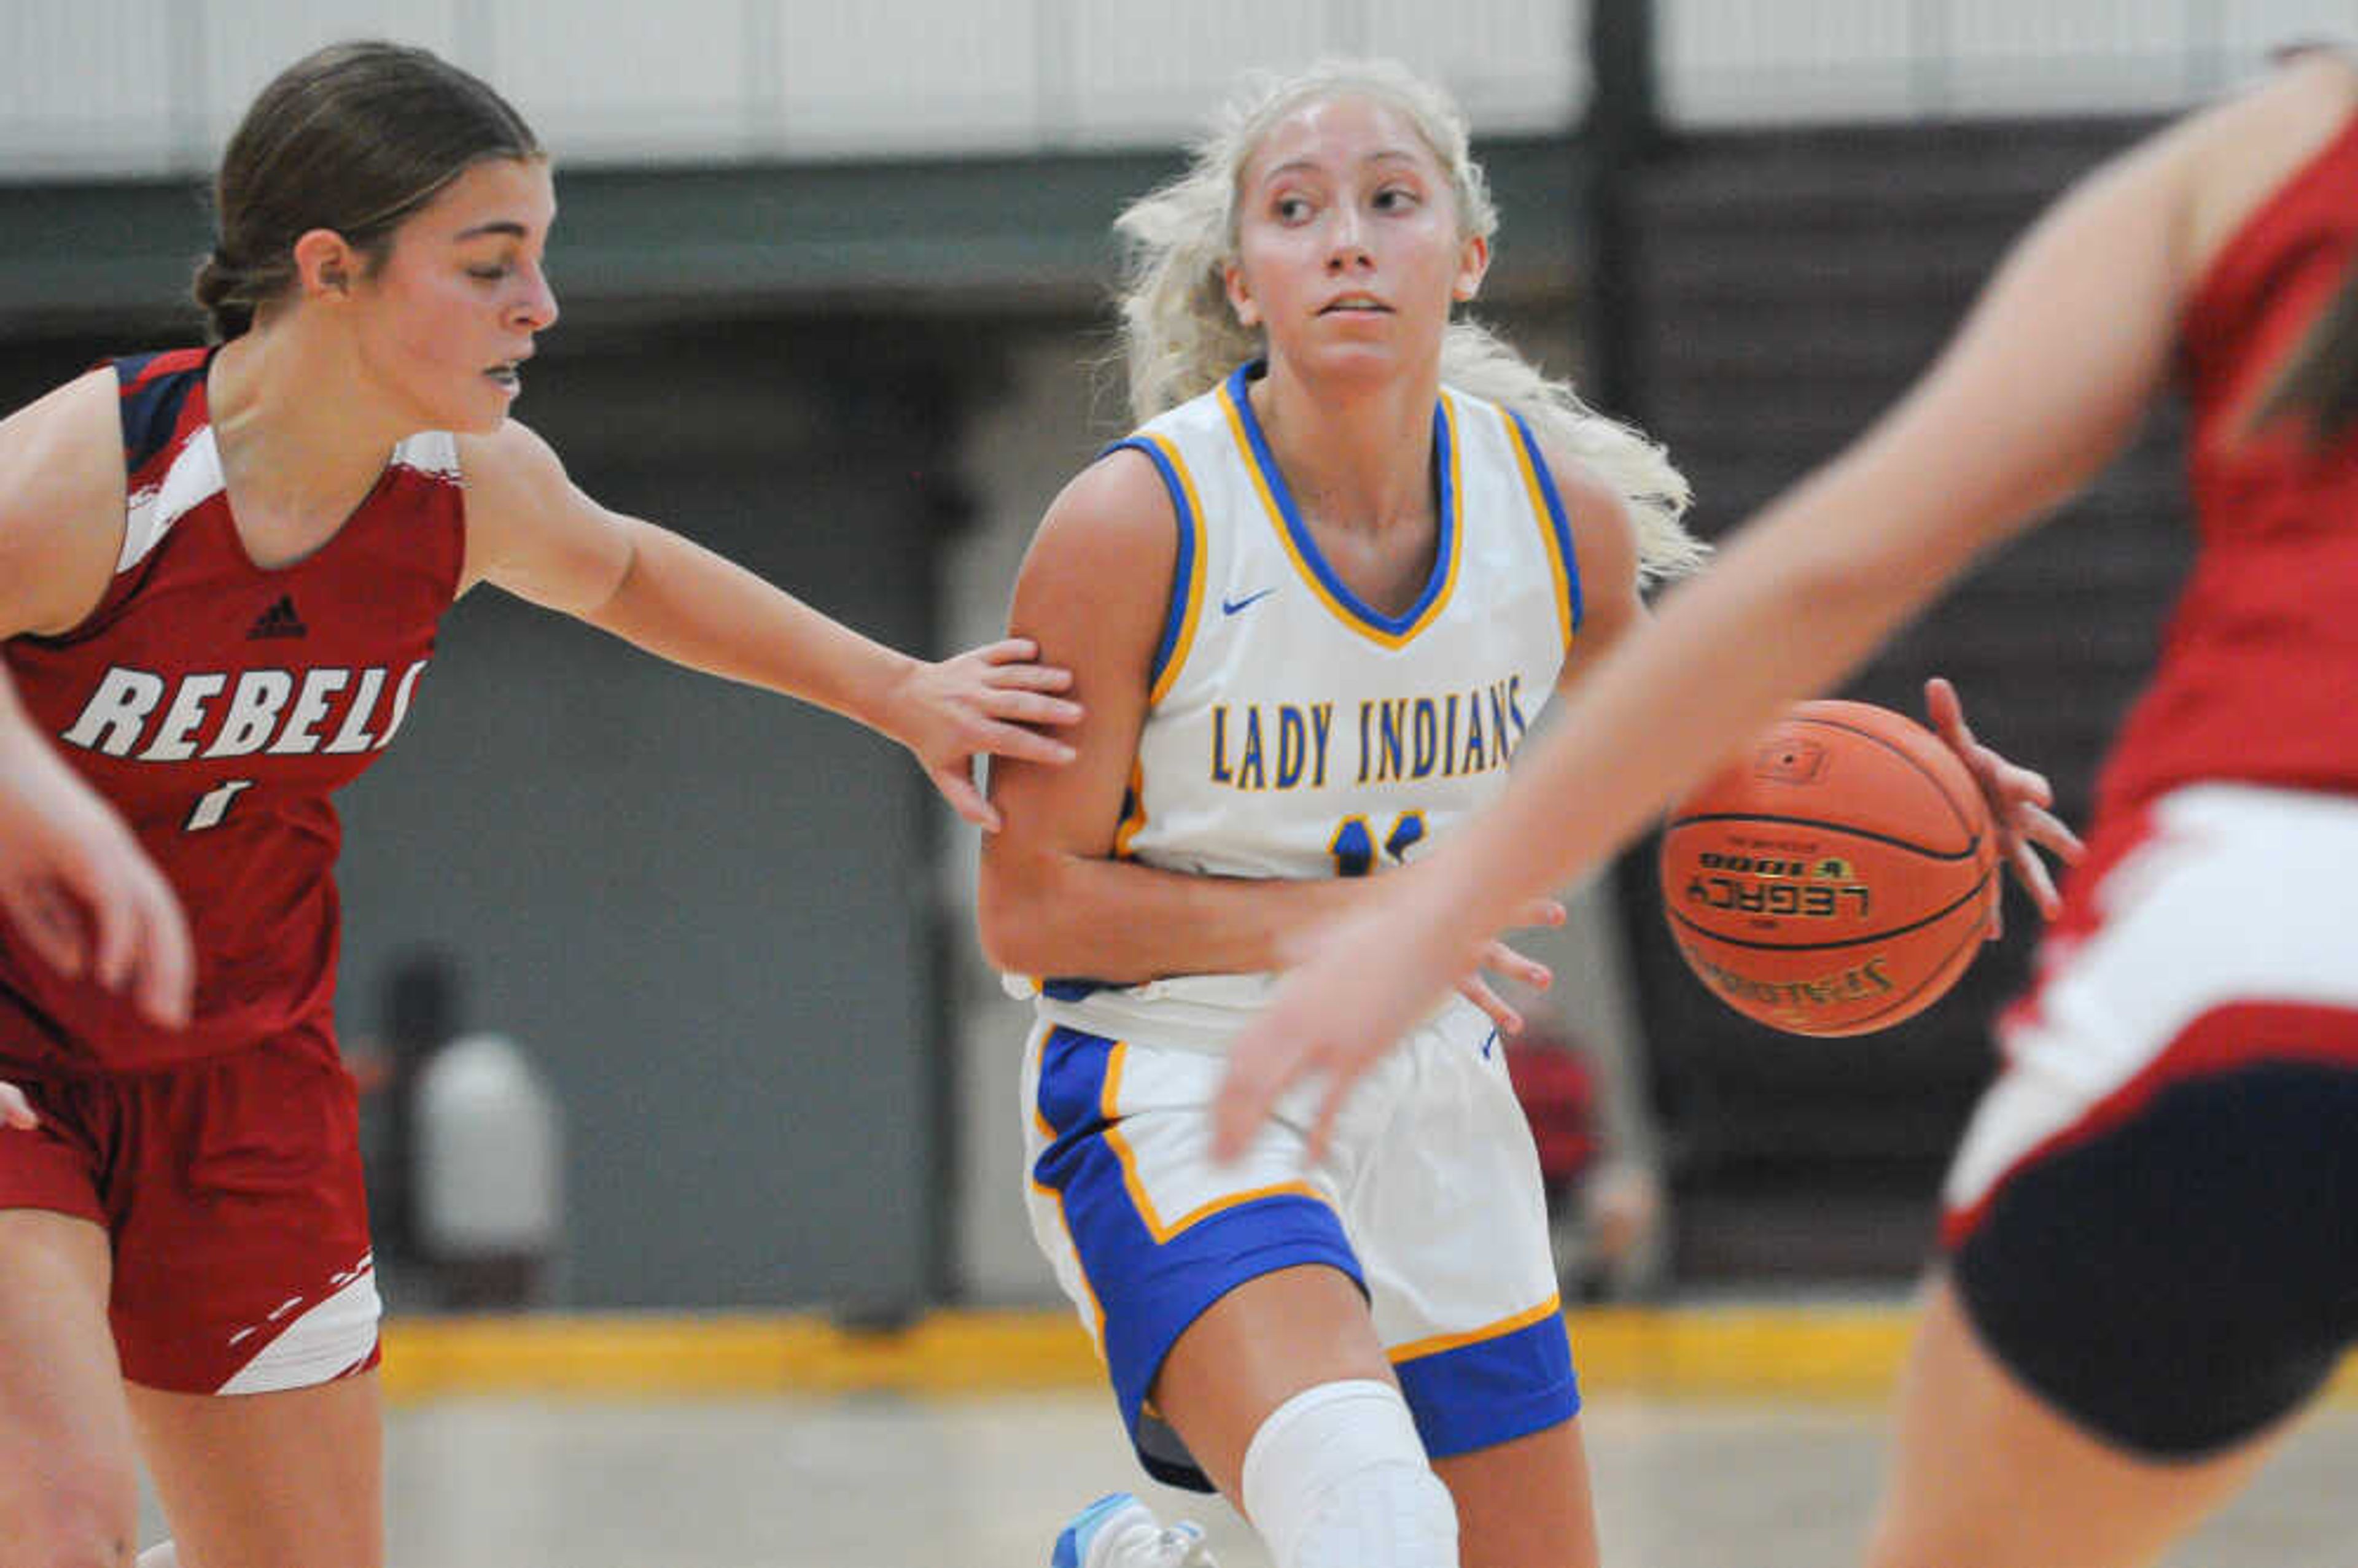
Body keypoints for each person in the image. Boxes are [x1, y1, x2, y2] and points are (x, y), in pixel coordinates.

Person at [1218, 43, 2358, 1568]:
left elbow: (1838, 564)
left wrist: (1427, 911)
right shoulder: (1162, 507)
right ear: (1240, 275)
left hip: (2265, 943)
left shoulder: (2263, 154)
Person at [0, 40, 1080, 1568]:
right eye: (491, 263)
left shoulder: (467, 486)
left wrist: (895, 691)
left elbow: (630, 568)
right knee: (56, 1530)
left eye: (541, 262)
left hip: (237, 1069)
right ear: (332, 269)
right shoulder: (91, 477)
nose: (542, 307)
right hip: (14, 1052)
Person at [976, 58, 2042, 1568]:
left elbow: (1670, 747)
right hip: (1178, 1080)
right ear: (1243, 277)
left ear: (1467, 256)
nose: (1347, 238)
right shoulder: (1133, 525)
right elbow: (1028, 911)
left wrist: (1915, 792)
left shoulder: (1553, 514)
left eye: (1391, 201)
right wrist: (1360, 922)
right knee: (1375, 1526)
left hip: (1434, 1096)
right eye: (1298, 210)